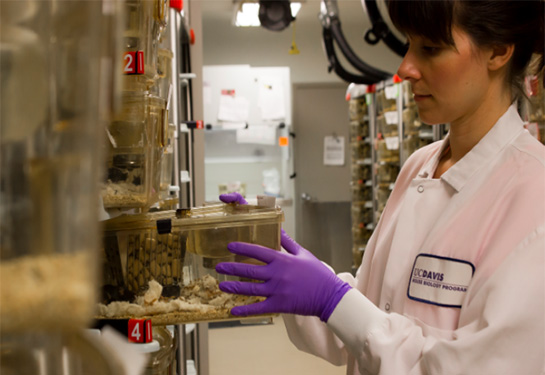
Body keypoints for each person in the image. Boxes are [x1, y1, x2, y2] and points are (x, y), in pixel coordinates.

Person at [216, 1, 545, 373]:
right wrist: (278, 264)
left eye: (430, 49)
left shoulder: (534, 196)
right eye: (408, 45)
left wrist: (333, 300)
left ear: (498, 51)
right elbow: (366, 323)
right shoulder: (419, 167)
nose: (405, 67)